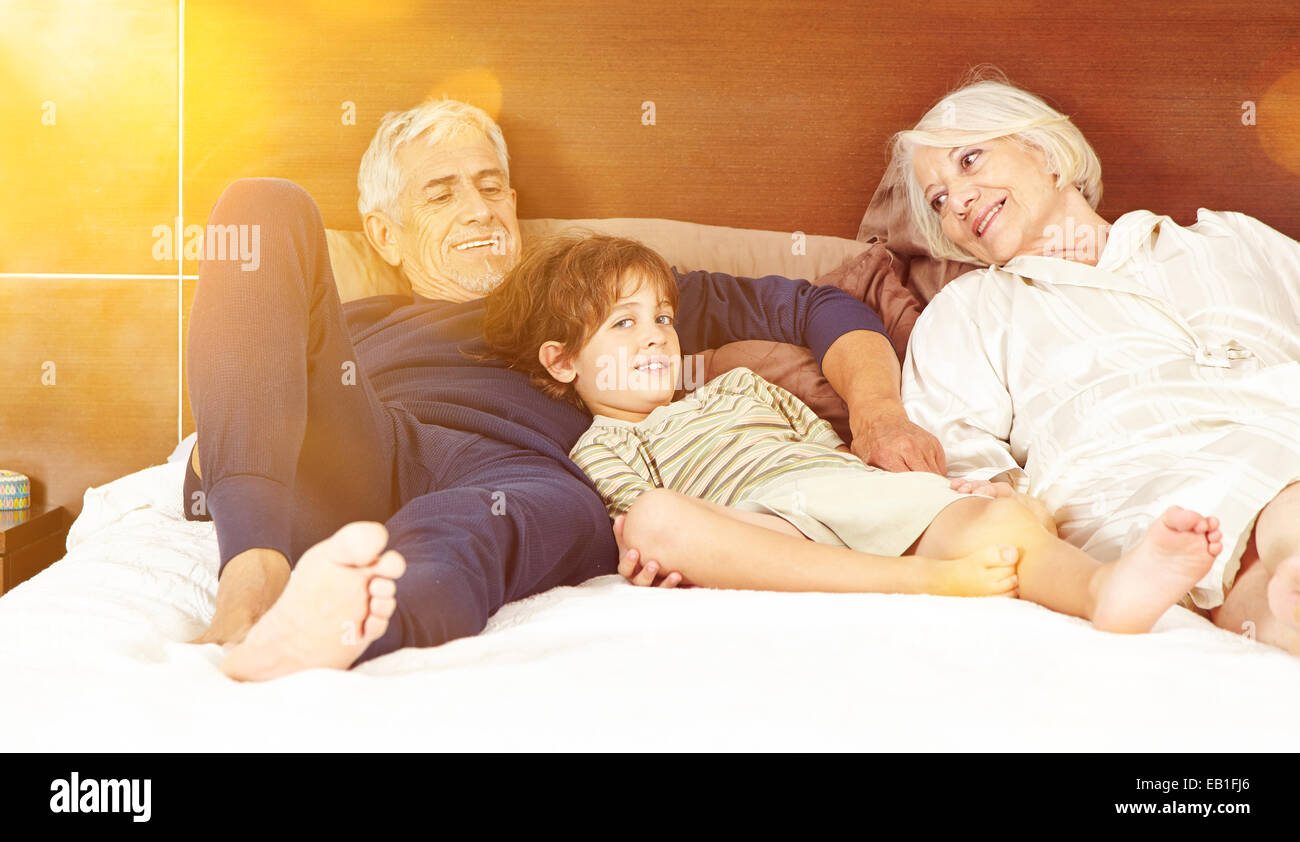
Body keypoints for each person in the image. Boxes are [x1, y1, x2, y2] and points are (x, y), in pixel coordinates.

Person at [184, 98, 940, 680]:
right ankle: (251, 574)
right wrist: (233, 465)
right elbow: (242, 375)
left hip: (521, 471)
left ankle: (345, 622)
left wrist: (877, 416)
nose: (480, 210)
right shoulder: (349, 322)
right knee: (261, 202)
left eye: (491, 187)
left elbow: (816, 306)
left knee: (517, 517)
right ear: (384, 236)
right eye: (441, 194)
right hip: (365, 437)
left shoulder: (588, 296)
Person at [481, 231, 1225, 633]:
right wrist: (645, 552)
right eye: (624, 323)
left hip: (837, 492)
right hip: (762, 524)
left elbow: (835, 458)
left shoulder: (740, 383)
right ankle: (925, 584)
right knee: (654, 519)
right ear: (564, 360)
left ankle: (1104, 591)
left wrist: (935, 490)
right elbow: (630, 524)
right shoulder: (600, 444)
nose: (655, 338)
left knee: (1001, 514)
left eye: (664, 319)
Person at [891, 73, 1300, 653]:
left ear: (1047, 151)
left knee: (1257, 581)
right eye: (938, 201)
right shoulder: (969, 311)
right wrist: (999, 496)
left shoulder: (1232, 239)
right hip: (1145, 491)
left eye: (970, 160)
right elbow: (963, 466)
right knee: (1232, 531)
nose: (957, 200)